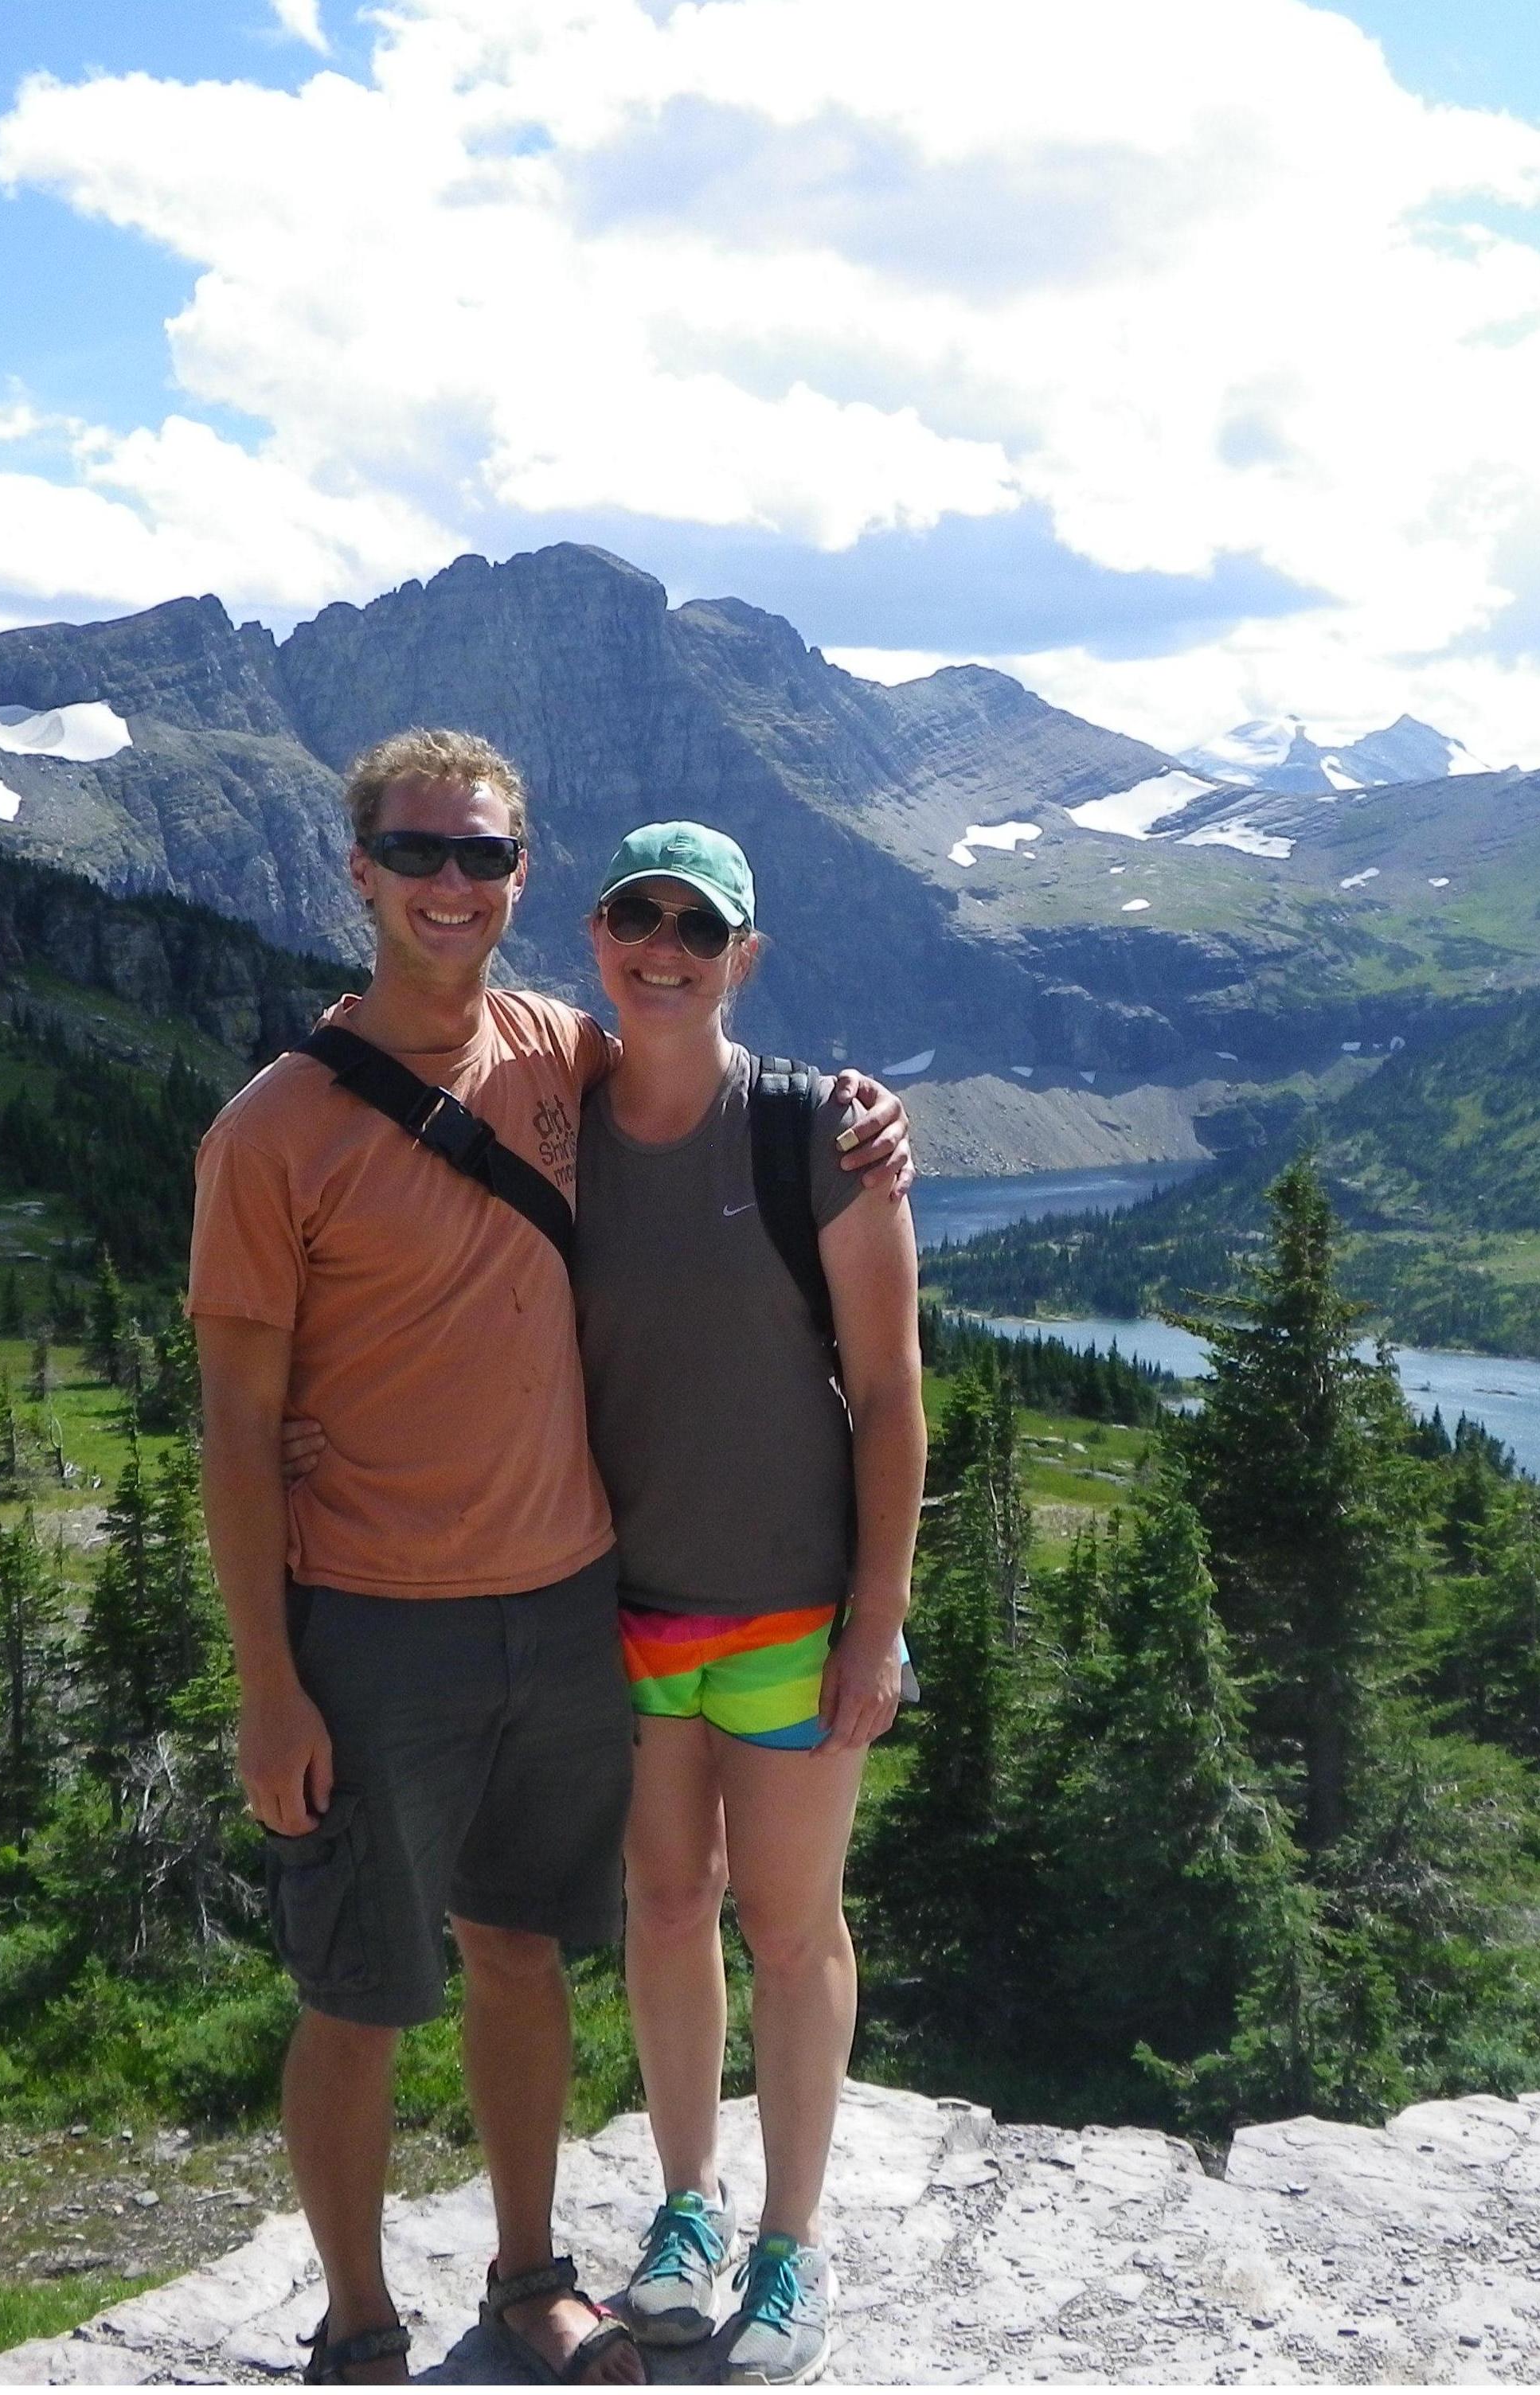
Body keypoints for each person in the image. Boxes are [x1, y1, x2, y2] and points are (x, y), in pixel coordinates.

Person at [188, 731, 908, 2386]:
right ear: (357, 871)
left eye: (484, 857)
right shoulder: (273, 1131)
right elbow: (236, 1424)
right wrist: (269, 1682)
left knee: (526, 1946)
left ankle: (534, 2273)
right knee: (363, 1987)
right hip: (373, 1622)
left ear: (523, 885)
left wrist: (867, 1114)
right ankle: (360, 2324)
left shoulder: (554, 1050)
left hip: (573, 1602)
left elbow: (698, 1067)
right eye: (418, 853)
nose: (453, 884)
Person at [576, 824, 924, 2386]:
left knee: (788, 1929)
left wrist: (875, 1618)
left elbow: (892, 1390)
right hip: (626, 1610)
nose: (663, 947)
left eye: (696, 928)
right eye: (636, 916)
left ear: (743, 958)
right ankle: (683, 2209)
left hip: (789, 1610)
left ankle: (787, 2247)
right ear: (596, 935)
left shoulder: (814, 1133)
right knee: (661, 1909)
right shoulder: (551, 1119)